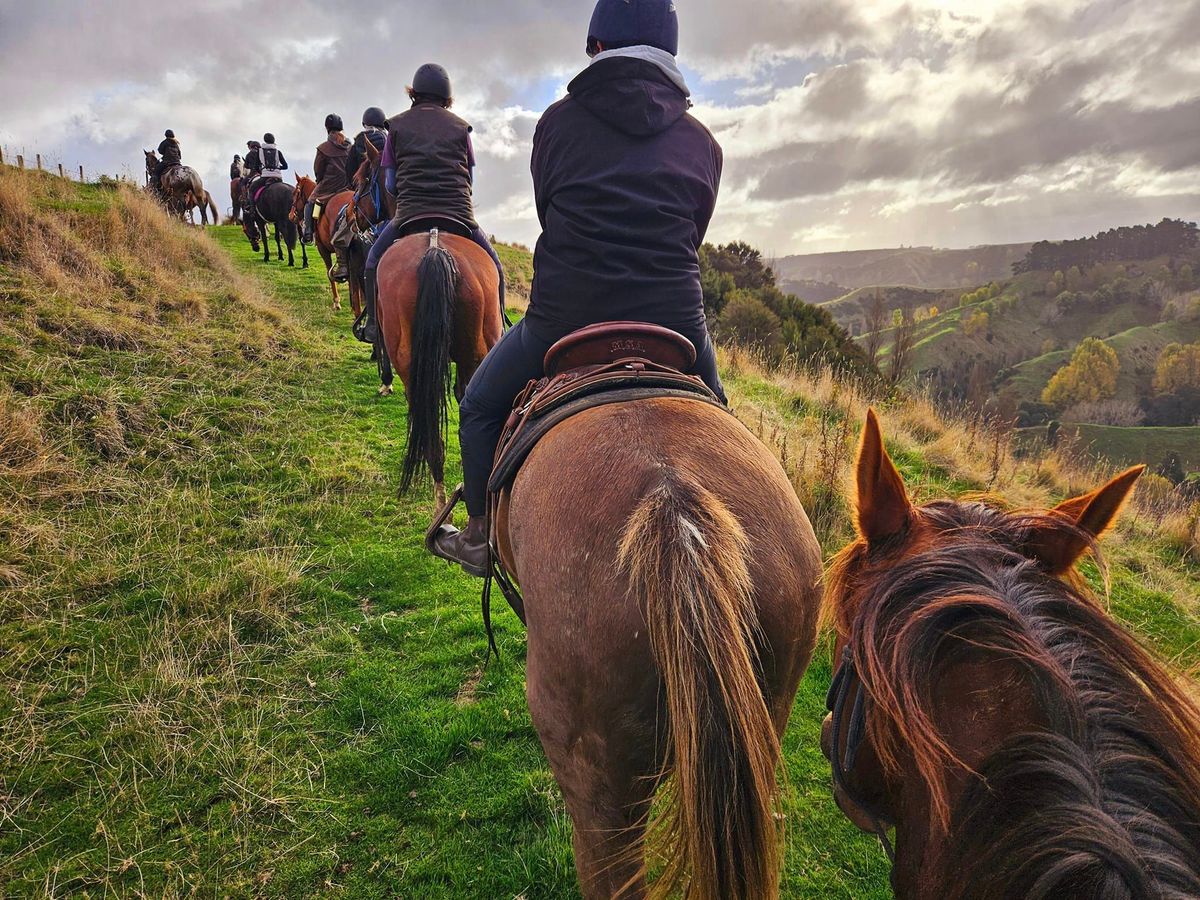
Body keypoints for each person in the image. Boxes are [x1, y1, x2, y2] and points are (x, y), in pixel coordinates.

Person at [429, 0, 726, 575]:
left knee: (480, 405)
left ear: (596, 45)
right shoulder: (705, 145)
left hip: (565, 318)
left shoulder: (555, 123)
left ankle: (479, 536)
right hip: (676, 320)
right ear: (671, 51)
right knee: (724, 422)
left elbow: (550, 210)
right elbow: (694, 232)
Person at [358, 64, 505, 345]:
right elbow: (470, 179)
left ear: (414, 93)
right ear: (447, 98)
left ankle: (373, 326)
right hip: (459, 215)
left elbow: (389, 183)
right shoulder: (462, 128)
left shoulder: (396, 126)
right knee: (495, 266)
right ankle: (500, 326)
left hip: (410, 214)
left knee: (374, 259)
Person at [305, 114, 352, 249]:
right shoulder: (349, 146)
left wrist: (319, 180)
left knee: (310, 203)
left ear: (327, 129)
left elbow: (318, 171)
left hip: (328, 188)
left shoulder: (323, 148)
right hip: (347, 187)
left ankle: (308, 232)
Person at [152, 129, 182, 195]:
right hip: (178, 163)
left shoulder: (165, 142)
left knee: (156, 171)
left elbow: (160, 151)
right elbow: (180, 156)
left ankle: (154, 189)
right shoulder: (176, 144)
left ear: (166, 135)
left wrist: (165, 154)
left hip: (167, 162)